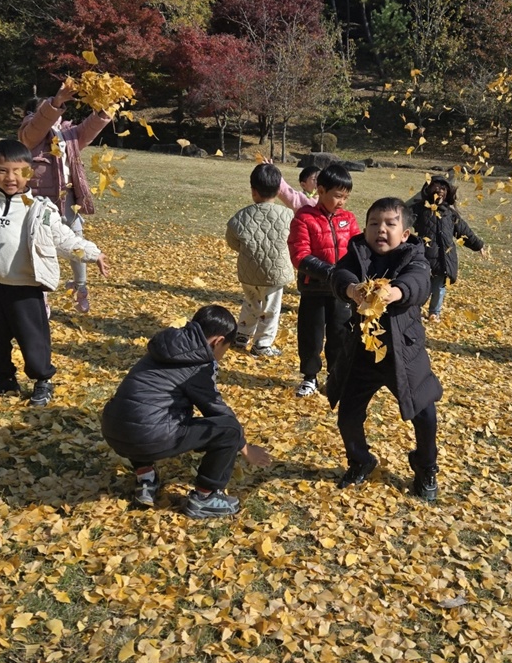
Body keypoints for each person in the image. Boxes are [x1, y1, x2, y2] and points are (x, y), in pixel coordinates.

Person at [0, 139, 109, 406]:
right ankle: (4, 378)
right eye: (2, 170)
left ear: (29, 172)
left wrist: (93, 254)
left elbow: (64, 239)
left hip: (26, 287)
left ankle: (42, 380)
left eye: (18, 171)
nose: (10, 177)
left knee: (33, 338)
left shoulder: (40, 209)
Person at [100, 305, 273, 518]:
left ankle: (145, 475)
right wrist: (246, 448)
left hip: (113, 428)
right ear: (218, 341)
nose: (221, 357)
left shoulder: (167, 345)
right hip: (147, 436)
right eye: (224, 351)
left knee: (143, 414)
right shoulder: (198, 365)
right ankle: (205, 497)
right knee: (229, 429)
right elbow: (217, 411)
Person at [328, 198, 444, 500]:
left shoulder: (414, 255)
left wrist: (395, 292)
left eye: (390, 224)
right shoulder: (356, 252)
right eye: (374, 224)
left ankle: (426, 466)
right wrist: (351, 289)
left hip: (404, 354)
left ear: (404, 233)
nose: (381, 230)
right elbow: (339, 275)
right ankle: (360, 459)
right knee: (348, 415)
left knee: (425, 414)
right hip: (362, 353)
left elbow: (419, 282)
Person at [18, 83, 112, 313]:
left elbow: (88, 130)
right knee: (40, 247)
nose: (56, 116)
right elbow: (38, 126)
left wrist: (103, 112)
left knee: (76, 241)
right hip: (39, 201)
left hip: (67, 199)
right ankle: (41, 297)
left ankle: (80, 287)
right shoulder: (29, 134)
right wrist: (55, 103)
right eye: (47, 110)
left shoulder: (68, 135)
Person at [287, 164, 362, 397]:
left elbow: (358, 250)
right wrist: (331, 273)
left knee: (340, 334)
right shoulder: (304, 218)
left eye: (346, 197)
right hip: (314, 289)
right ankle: (310, 377)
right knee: (311, 335)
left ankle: (335, 376)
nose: (342, 202)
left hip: (342, 292)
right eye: (338, 196)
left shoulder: (348, 219)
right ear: (320, 190)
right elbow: (300, 255)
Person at [226, 163, 295, 357]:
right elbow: (294, 240)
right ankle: (262, 343)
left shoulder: (240, 217)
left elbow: (232, 241)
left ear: (253, 191)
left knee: (251, 302)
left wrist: (247, 251)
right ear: (278, 190)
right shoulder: (288, 215)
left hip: (249, 272)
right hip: (275, 273)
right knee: (271, 308)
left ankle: (242, 335)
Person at [407, 174, 487, 322]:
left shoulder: (450, 214)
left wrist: (479, 245)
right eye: (436, 190)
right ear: (429, 191)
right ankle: (414, 310)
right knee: (422, 285)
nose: (440, 193)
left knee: (439, 287)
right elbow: (403, 221)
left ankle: (434, 313)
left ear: (447, 194)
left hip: (445, 258)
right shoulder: (418, 209)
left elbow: (465, 232)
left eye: (443, 190)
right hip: (424, 256)